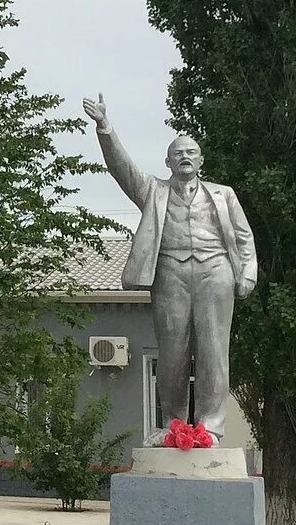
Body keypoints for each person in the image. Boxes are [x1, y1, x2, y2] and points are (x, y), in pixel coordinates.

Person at [82, 93, 257, 444]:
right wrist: (105, 128)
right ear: (167, 161)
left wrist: (248, 273)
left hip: (215, 271)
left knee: (213, 351)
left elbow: (243, 238)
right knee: (172, 353)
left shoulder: (223, 195)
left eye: (191, 152)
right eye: (178, 153)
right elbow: (122, 170)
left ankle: (211, 427)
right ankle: (174, 425)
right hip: (170, 274)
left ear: (201, 160)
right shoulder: (154, 191)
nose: (185, 157)